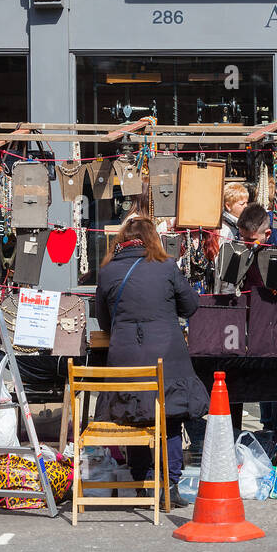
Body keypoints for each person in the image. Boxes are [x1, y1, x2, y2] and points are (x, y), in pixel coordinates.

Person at [94, 217, 209, 507]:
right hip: (167, 356)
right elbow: (192, 306)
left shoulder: (107, 271)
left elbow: (103, 320)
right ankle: (169, 485)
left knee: (135, 417)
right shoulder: (167, 266)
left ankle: (141, 481)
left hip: (125, 358)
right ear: (152, 240)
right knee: (170, 419)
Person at [236, 202, 277, 449]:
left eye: (250, 239)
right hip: (258, 312)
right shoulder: (249, 240)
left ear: (267, 234)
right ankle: (267, 427)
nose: (246, 243)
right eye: (242, 238)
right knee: (264, 369)